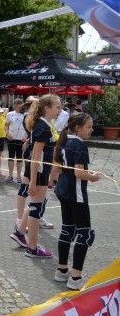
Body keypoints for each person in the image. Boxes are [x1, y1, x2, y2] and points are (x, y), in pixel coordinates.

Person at [51, 112, 101, 290]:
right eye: (89, 127)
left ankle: (61, 270)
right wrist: (93, 176)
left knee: (67, 229)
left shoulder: (66, 141)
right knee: (85, 234)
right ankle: (75, 277)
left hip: (64, 191)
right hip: (76, 194)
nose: (92, 129)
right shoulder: (79, 145)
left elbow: (62, 168)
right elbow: (79, 173)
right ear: (78, 128)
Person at [19, 94, 62, 258]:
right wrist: (32, 181)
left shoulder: (44, 124)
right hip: (39, 172)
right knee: (37, 208)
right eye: (57, 107)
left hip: (41, 171)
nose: (60, 110)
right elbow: (36, 156)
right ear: (47, 108)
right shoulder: (43, 127)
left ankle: (19, 232)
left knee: (35, 204)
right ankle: (32, 248)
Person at [5, 99, 26, 184]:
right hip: (11, 138)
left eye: (19, 105)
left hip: (21, 139)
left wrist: (26, 137)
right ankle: (10, 175)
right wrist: (7, 134)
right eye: (16, 105)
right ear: (13, 105)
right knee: (11, 156)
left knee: (19, 157)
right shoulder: (9, 114)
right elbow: (6, 126)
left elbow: (28, 128)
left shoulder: (25, 115)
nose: (17, 107)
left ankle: (18, 176)